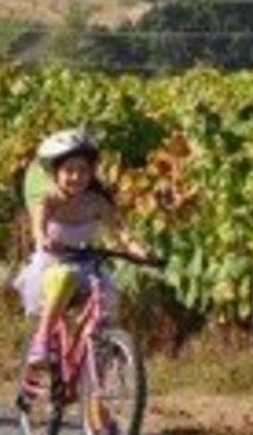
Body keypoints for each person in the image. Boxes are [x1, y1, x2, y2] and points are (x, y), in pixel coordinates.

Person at [13, 128, 150, 367]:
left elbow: (120, 232)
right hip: (52, 265)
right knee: (64, 276)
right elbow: (38, 227)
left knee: (103, 305)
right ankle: (42, 340)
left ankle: (101, 362)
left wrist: (136, 249)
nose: (77, 177)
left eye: (84, 171)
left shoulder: (96, 202)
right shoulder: (48, 200)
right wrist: (43, 239)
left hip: (85, 266)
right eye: (69, 170)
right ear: (55, 172)